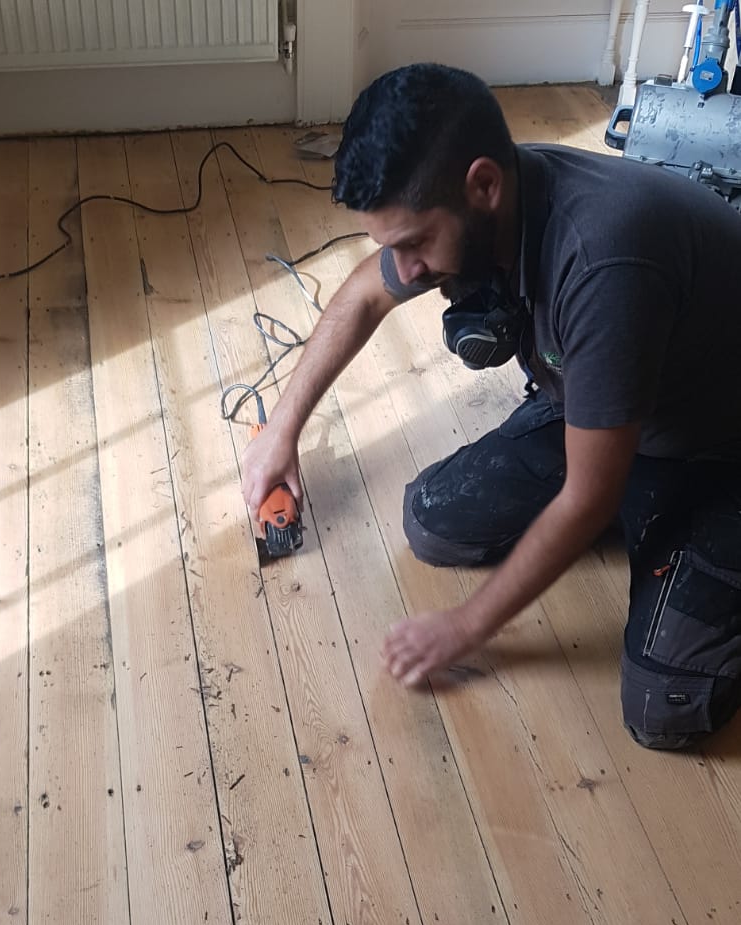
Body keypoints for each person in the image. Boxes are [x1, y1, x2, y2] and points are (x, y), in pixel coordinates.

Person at [241, 63, 741, 750]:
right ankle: (644, 509)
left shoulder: (605, 263)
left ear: (483, 185)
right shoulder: (485, 201)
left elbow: (588, 497)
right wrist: (283, 431)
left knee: (666, 705)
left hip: (721, 449)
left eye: (414, 244)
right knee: (433, 523)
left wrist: (465, 626)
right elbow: (363, 296)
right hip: (626, 412)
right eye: (392, 246)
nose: (406, 270)